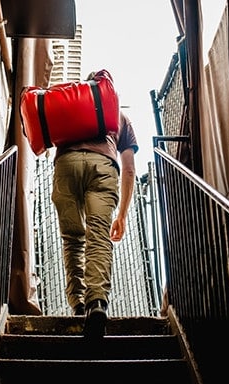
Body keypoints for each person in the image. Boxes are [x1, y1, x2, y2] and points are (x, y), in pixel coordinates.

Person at [51, 71, 139, 338]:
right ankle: (96, 303)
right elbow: (130, 170)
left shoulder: (73, 110)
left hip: (67, 165)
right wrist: (122, 214)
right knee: (98, 236)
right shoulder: (120, 118)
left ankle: (78, 304)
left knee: (73, 238)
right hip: (103, 168)